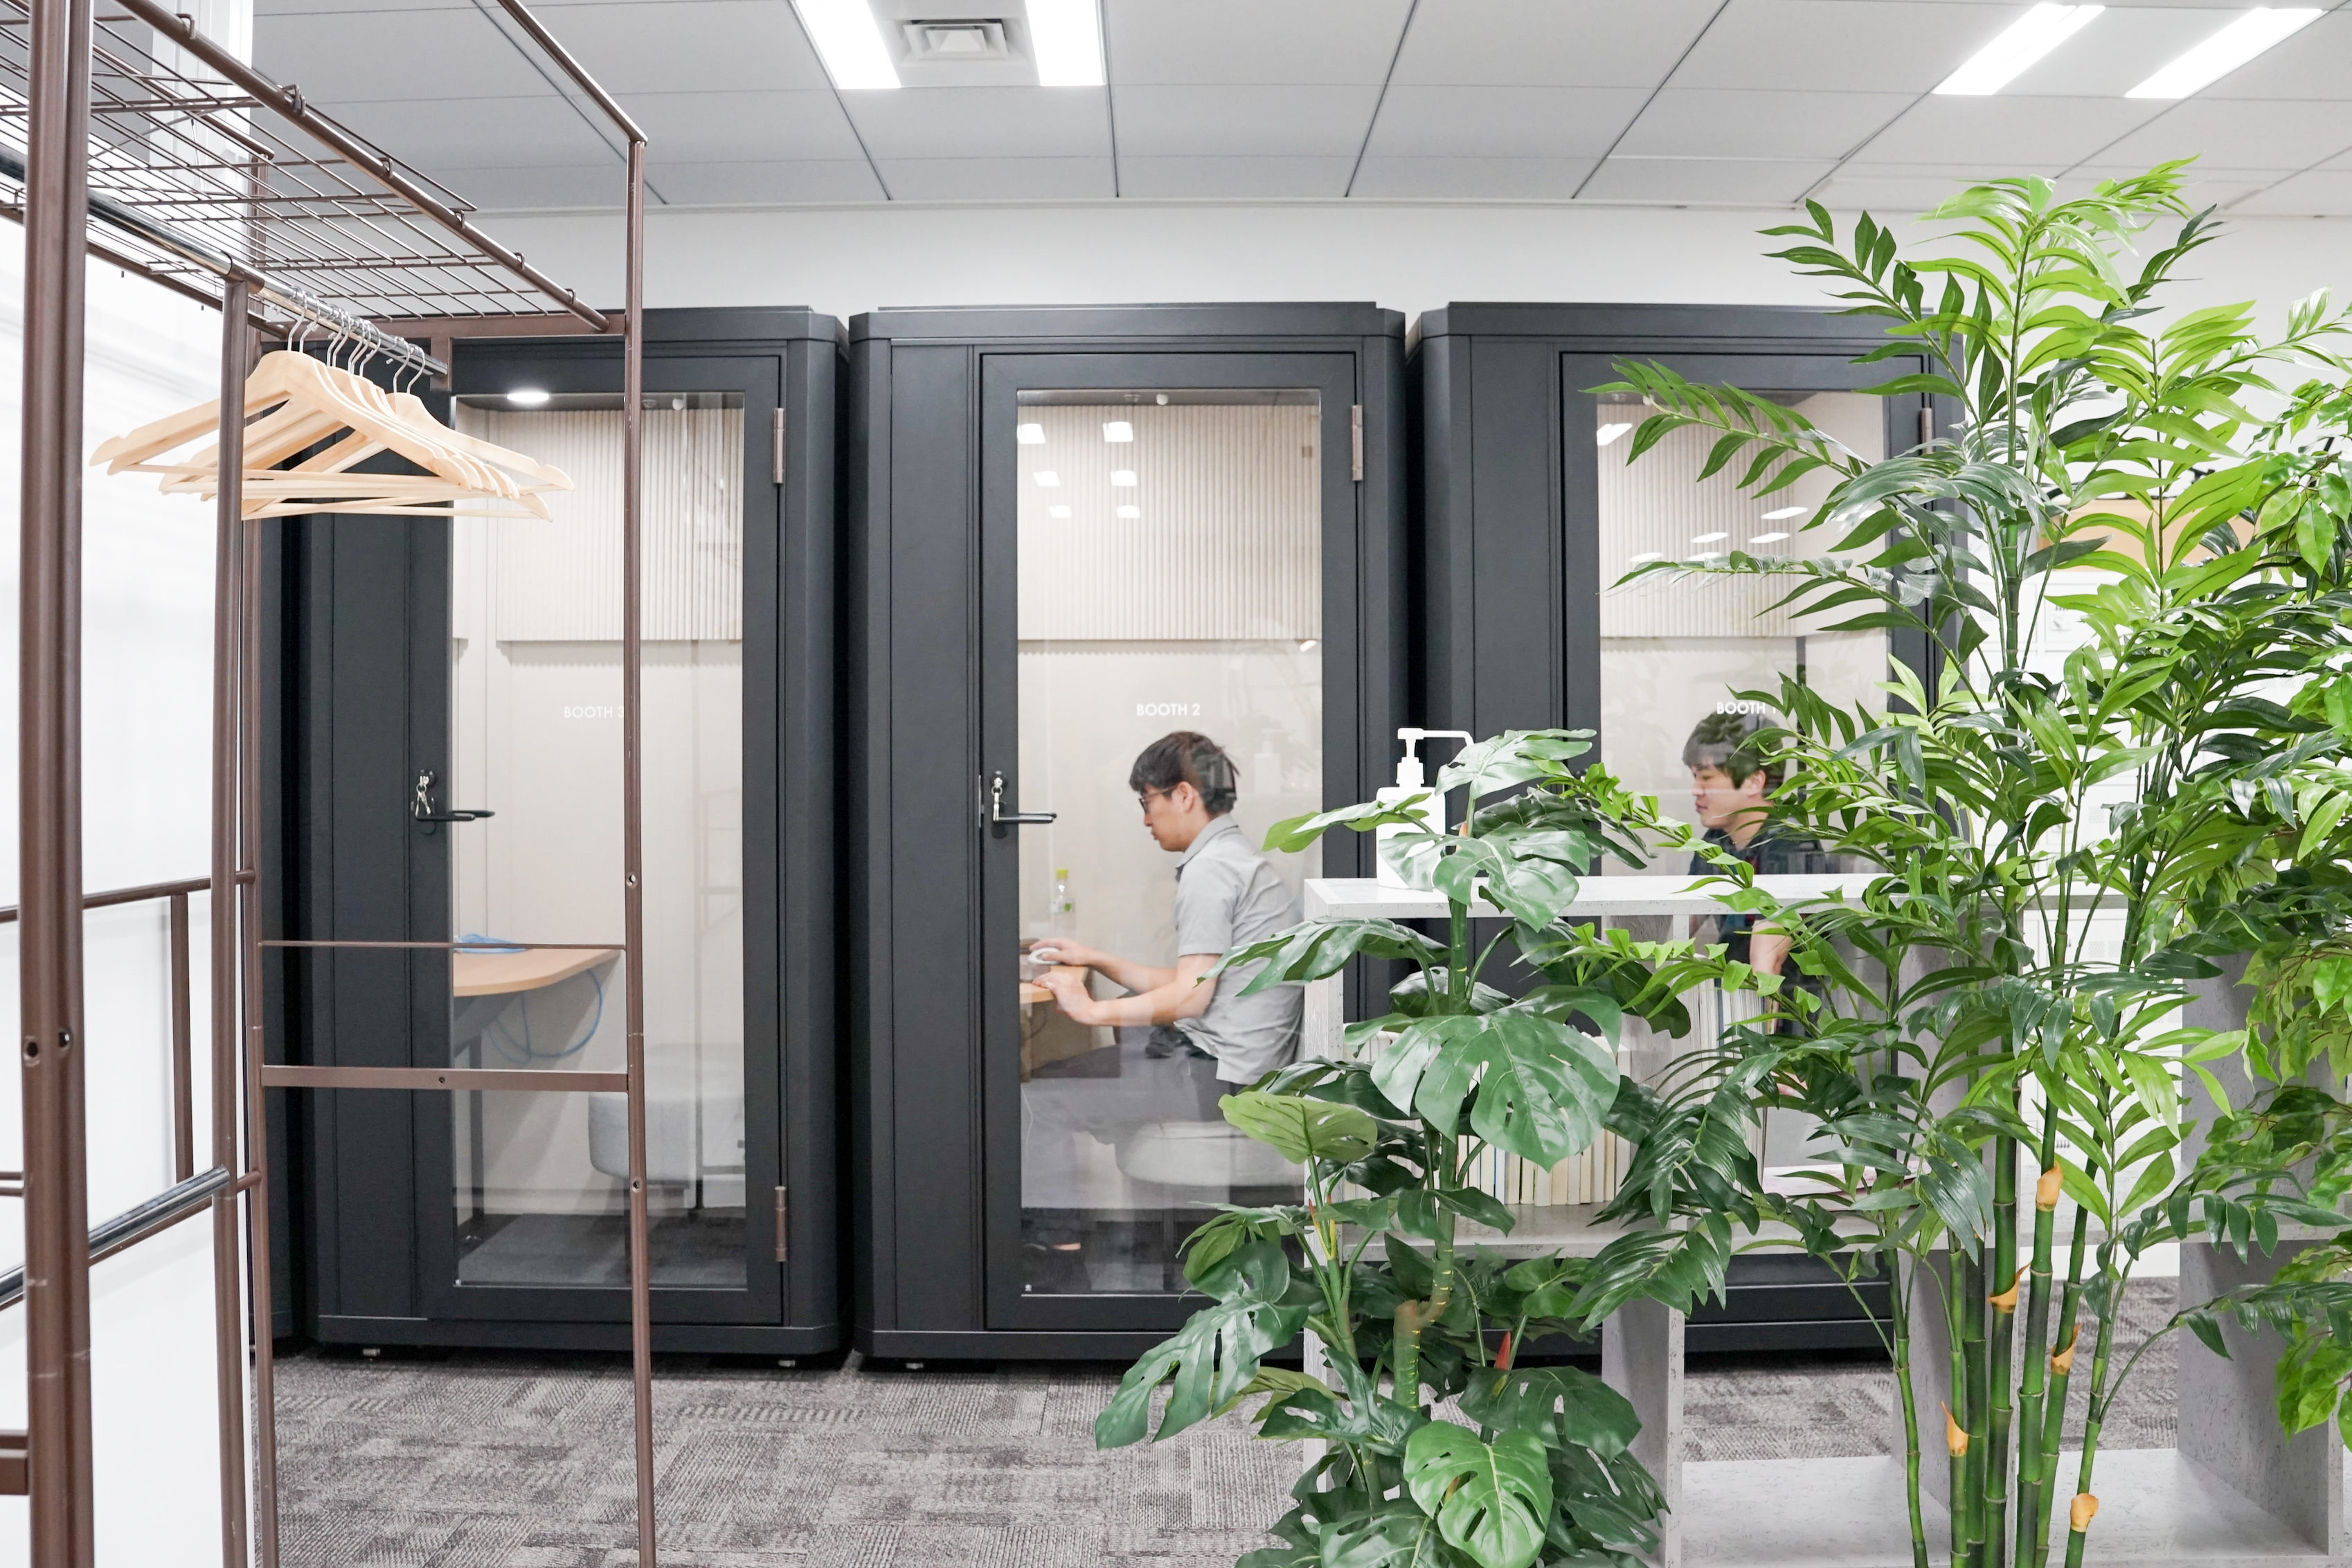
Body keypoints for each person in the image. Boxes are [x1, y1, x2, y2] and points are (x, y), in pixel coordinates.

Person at [1030, 730, 1302, 1088]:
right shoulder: (1232, 855)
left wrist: (1089, 1009)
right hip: (1240, 1063)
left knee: (1038, 1091)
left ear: (1184, 795)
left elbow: (1190, 997)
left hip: (1223, 1075)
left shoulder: (1211, 869)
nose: (1146, 819)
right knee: (1124, 1024)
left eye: (1147, 802)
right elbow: (1193, 982)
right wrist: (1095, 958)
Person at [1684, 708, 1817, 981]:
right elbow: (1678, 923)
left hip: (1777, 1004)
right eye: (1694, 777)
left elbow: (1766, 967)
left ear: (1754, 782)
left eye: (1706, 777)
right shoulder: (1716, 842)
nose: (1695, 790)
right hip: (1732, 996)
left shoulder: (1790, 844)